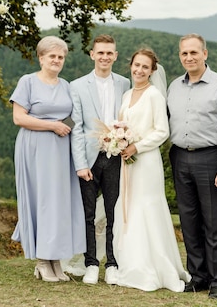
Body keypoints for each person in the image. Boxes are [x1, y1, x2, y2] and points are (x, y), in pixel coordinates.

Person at [166, 33, 217, 300]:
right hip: (179, 158)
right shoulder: (174, 86)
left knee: (214, 225)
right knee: (189, 221)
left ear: (205, 54)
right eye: (184, 53)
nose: (189, 57)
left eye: (194, 53)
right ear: (180, 56)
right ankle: (198, 276)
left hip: (211, 159)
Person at [112, 48, 191, 292]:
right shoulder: (126, 95)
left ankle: (153, 267)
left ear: (152, 71)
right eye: (136, 65)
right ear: (131, 65)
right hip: (127, 161)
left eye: (145, 67)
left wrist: (137, 146)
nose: (139, 70)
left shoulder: (154, 95)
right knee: (128, 206)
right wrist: (116, 141)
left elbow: (162, 131)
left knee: (146, 207)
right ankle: (130, 262)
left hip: (146, 161)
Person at [10, 35, 86, 282]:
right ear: (41, 58)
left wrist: (63, 127)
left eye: (60, 57)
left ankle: (56, 261)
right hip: (34, 148)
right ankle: (42, 260)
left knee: (59, 204)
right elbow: (19, 118)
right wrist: (52, 126)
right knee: (41, 200)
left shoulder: (66, 86)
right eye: (52, 56)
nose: (56, 60)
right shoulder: (28, 82)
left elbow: (75, 119)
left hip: (61, 151)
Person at [70, 34, 130, 285]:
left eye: (110, 53)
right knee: (87, 213)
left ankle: (113, 263)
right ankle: (91, 262)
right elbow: (76, 127)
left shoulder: (125, 84)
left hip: (117, 157)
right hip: (90, 158)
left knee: (114, 211)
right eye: (100, 53)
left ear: (115, 56)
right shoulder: (77, 85)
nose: (105, 57)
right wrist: (81, 164)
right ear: (92, 55)